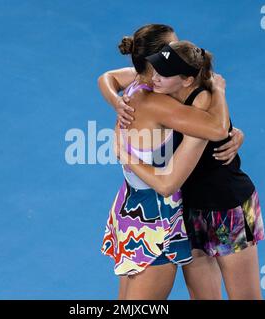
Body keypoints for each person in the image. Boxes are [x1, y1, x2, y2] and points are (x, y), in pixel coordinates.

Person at [99, 24, 243, 300]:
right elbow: (215, 129)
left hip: (131, 207)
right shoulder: (160, 104)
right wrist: (218, 90)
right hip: (156, 219)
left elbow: (105, 78)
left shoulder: (134, 83)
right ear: (155, 64)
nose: (177, 53)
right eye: (170, 51)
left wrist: (115, 101)